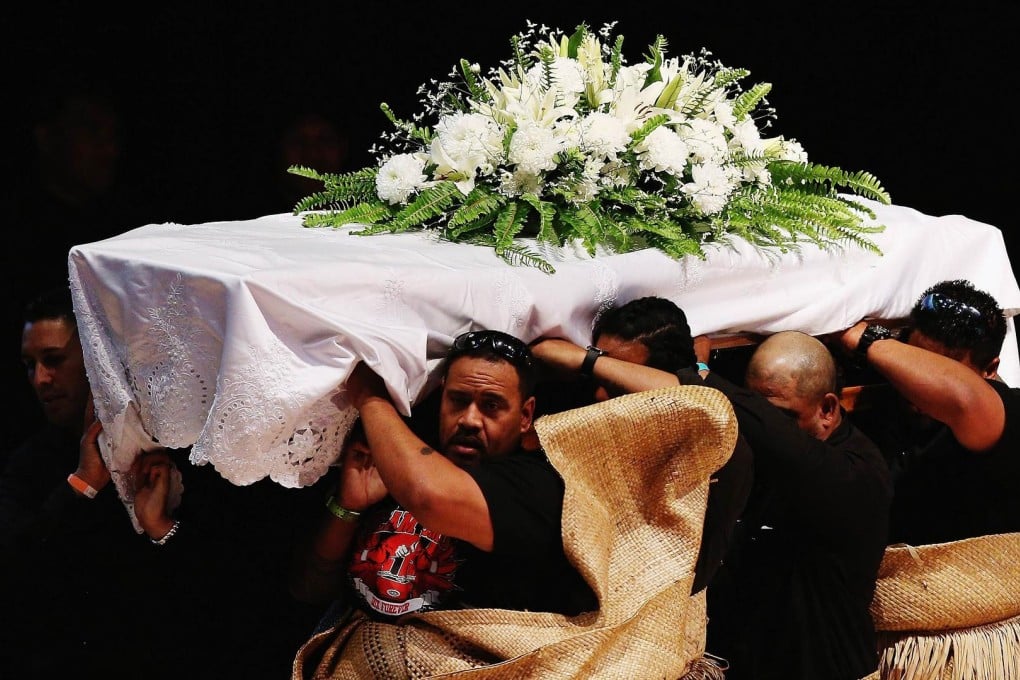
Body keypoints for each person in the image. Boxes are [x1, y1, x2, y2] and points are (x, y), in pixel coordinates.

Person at [0, 286, 328, 679]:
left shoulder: (174, 444)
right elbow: (18, 574)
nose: (40, 379)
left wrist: (162, 528)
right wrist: (82, 484)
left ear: (93, 356)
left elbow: (237, 587)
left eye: (53, 360)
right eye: (28, 364)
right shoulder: (31, 463)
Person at [289, 329, 597, 628]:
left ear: (525, 416)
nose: (470, 420)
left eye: (491, 406)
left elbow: (429, 497)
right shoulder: (393, 455)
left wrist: (370, 397)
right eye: (459, 400)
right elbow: (308, 590)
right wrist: (348, 508)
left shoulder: (537, 485)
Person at [529, 296, 754, 594]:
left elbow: (696, 401)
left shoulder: (716, 441)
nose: (598, 394)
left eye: (616, 379)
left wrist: (588, 361)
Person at [838, 279, 1020, 545]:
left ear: (989, 369)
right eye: (914, 360)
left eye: (944, 369)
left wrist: (865, 340)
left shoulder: (1010, 414)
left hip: (972, 578)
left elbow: (965, 398)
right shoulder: (879, 397)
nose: (918, 383)